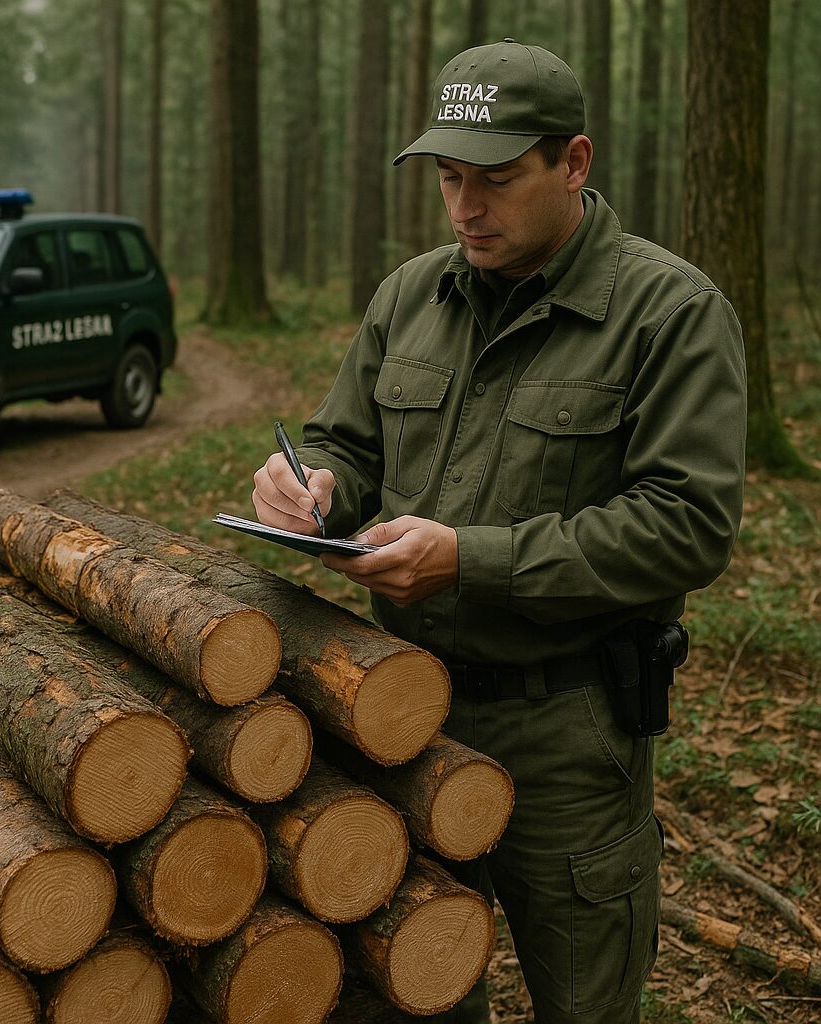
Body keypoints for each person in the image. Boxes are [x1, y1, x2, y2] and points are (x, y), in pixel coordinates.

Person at [252, 38, 746, 1024]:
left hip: (566, 733)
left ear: (574, 163)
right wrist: (312, 484)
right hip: (397, 717)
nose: (466, 207)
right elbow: (342, 442)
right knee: (410, 991)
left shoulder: (668, 313)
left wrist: (470, 559)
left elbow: (686, 525)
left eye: (496, 179)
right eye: (447, 178)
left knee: (585, 999)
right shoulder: (409, 297)